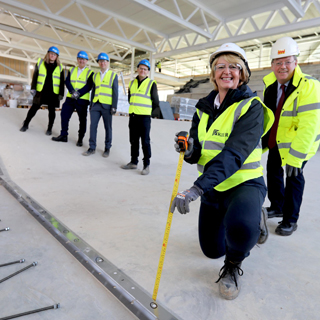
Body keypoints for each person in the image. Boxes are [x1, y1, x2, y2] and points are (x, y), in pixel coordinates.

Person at [170, 43, 274, 300]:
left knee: (240, 230)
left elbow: (234, 155)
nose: (226, 71)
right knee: (211, 250)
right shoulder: (202, 107)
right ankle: (245, 221)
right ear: (213, 73)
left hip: (244, 183)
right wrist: (189, 149)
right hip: (214, 188)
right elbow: (198, 152)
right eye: (220, 66)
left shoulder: (252, 107)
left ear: (243, 73)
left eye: (233, 67)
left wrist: (196, 188)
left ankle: (233, 264)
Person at [262, 37, 320, 236]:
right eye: (278, 62)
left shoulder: (309, 86)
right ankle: (277, 206)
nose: (283, 67)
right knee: (273, 172)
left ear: (296, 62)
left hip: (298, 144)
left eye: (287, 61)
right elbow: (268, 116)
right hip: (276, 142)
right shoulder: (270, 85)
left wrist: (296, 158)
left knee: (293, 178)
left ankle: (290, 219)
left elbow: (309, 126)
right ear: (272, 65)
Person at [120, 59, 159, 175]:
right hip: (133, 116)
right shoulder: (132, 83)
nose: (142, 70)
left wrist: (148, 113)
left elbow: (156, 102)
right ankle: (133, 162)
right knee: (133, 140)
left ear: (148, 72)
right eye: (141, 68)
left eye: (145, 69)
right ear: (137, 69)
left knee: (145, 142)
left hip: (144, 118)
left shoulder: (151, 84)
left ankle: (146, 165)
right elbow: (130, 98)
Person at [52, 51, 93, 146]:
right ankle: (63, 135)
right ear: (77, 59)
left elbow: (89, 86)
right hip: (70, 98)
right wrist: (72, 92)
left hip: (82, 100)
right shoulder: (72, 70)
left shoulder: (90, 73)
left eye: (83, 59)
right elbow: (67, 81)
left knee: (82, 120)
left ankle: (80, 139)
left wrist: (78, 93)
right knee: (64, 115)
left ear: (86, 61)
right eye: (80, 58)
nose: (81, 61)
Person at [20, 46, 64, 135]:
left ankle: (49, 128)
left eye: (55, 54)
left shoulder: (60, 67)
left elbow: (62, 82)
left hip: (53, 93)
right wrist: (33, 88)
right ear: (48, 54)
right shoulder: (40, 63)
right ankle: (26, 124)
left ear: (57, 57)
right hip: (41, 91)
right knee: (34, 108)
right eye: (51, 53)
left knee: (52, 112)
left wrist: (61, 94)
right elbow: (35, 77)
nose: (52, 55)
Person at [83, 52, 118, 157]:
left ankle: (107, 148)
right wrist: (91, 104)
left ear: (108, 62)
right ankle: (92, 147)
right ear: (98, 63)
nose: (102, 63)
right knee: (93, 126)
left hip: (107, 106)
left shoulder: (113, 75)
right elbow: (93, 90)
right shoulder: (95, 75)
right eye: (100, 61)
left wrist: (114, 106)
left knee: (108, 128)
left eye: (104, 61)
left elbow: (115, 92)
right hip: (96, 105)